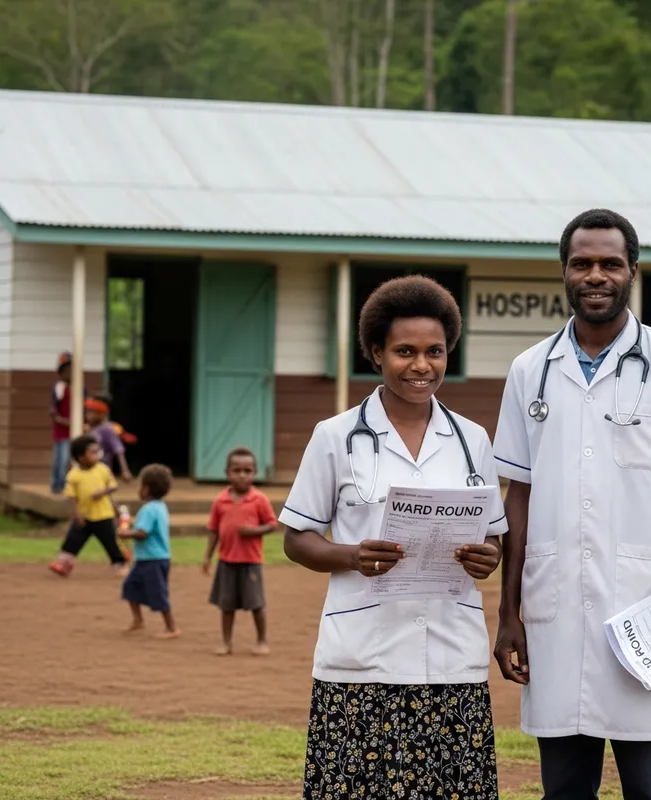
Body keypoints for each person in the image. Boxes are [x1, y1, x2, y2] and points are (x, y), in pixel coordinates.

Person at [492, 209, 651, 800]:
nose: (595, 275)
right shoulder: (530, 372)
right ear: (564, 273)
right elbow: (516, 496)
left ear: (633, 272)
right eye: (582, 263)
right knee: (564, 790)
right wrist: (508, 613)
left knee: (650, 790)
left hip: (647, 618)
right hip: (555, 613)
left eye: (610, 263)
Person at [280, 275, 508, 800]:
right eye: (404, 351)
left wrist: (485, 558)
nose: (421, 365)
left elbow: (494, 538)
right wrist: (351, 555)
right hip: (363, 659)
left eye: (435, 351)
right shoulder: (335, 436)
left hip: (451, 656)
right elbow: (297, 538)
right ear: (376, 352)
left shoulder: (473, 440)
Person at [203, 447, 279, 656]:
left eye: (247, 471)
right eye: (237, 470)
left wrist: (255, 531)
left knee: (256, 604)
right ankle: (226, 642)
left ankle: (262, 640)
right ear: (227, 472)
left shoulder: (259, 500)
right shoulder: (220, 501)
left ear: (254, 473)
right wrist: (207, 557)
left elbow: (273, 524)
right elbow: (213, 530)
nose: (242, 475)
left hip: (250, 562)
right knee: (226, 605)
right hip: (226, 561)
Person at [48, 435, 129, 578]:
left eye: (98, 452)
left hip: (103, 515)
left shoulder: (102, 469)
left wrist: (103, 493)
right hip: (84, 516)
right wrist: (76, 513)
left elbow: (113, 486)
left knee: (110, 542)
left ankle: (120, 563)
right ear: (80, 457)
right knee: (72, 541)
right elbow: (71, 497)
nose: (97, 455)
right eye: (92, 452)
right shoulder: (74, 475)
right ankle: (64, 564)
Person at [118, 463, 179, 639]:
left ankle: (171, 627)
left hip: (153, 559)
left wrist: (125, 533)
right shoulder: (159, 506)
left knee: (158, 593)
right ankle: (138, 620)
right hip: (149, 559)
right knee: (130, 587)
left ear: (147, 489)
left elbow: (142, 533)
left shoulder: (149, 509)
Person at [85, 396, 133, 482]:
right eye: (88, 412)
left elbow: (118, 450)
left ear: (102, 414)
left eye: (92, 412)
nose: (88, 415)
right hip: (88, 471)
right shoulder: (89, 429)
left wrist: (125, 470)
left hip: (102, 471)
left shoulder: (107, 429)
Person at [49, 352, 73, 494]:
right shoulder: (59, 388)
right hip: (62, 431)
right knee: (60, 460)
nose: (69, 373)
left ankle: (67, 487)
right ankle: (58, 486)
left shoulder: (80, 388)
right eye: (66, 371)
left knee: (69, 460)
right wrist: (62, 421)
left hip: (75, 430)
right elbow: (53, 409)